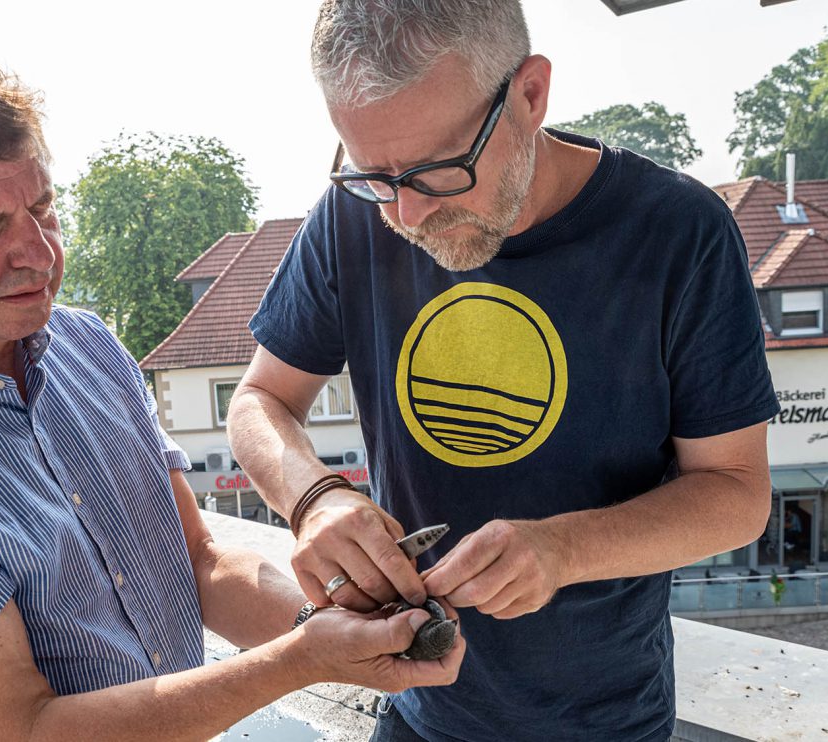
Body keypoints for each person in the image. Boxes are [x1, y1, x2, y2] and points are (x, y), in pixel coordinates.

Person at [0, 52, 465, 741]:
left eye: (42, 207)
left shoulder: (85, 346)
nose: (38, 254)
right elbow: (25, 731)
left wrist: (341, 626)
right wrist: (305, 658)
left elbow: (198, 562)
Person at [227, 2, 779, 740]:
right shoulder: (353, 215)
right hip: (418, 710)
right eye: (374, 173)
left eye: (440, 170)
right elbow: (261, 399)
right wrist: (315, 499)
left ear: (530, 94)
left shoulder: (678, 231)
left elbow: (737, 494)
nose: (410, 213)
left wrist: (564, 549)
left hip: (609, 720)